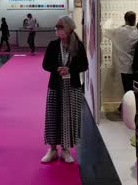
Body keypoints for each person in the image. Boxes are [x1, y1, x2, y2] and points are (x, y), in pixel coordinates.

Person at [41, 16, 88, 164]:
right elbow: (45, 64)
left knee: (69, 117)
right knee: (53, 116)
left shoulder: (78, 45)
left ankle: (66, 150)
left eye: (60, 28)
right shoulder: (53, 45)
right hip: (55, 86)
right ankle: (52, 149)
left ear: (68, 29)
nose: (57, 31)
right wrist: (57, 68)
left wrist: (70, 69)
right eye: (57, 28)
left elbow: (84, 65)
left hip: (72, 87)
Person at [102, 12, 138, 110]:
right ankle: (126, 106)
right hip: (135, 64)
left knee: (127, 88)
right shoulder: (137, 31)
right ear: (135, 19)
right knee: (132, 88)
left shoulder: (119, 31)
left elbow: (106, 30)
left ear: (125, 19)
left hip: (124, 65)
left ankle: (127, 107)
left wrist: (110, 20)